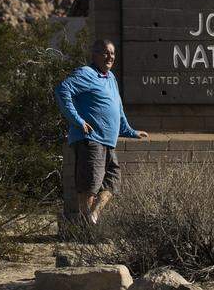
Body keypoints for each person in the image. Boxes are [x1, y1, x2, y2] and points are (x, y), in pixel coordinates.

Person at [54, 39, 148, 225]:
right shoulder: (86, 73)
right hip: (90, 139)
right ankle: (86, 227)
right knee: (90, 186)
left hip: (108, 141)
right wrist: (78, 120)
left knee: (113, 181)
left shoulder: (111, 78)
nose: (110, 57)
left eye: (112, 53)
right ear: (94, 54)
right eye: (105, 53)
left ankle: (92, 216)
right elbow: (62, 90)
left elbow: (117, 109)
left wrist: (129, 131)